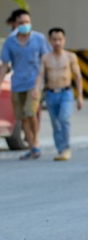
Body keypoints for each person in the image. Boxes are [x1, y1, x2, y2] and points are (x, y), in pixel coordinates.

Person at [0, 9, 51, 160]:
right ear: (15, 24)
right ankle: (31, 147)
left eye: (27, 22)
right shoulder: (10, 42)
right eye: (21, 23)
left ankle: (35, 142)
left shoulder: (39, 39)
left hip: (34, 83)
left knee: (31, 113)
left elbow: (46, 60)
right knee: (22, 117)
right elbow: (4, 65)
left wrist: (42, 83)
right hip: (17, 83)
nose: (25, 25)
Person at [33, 28, 84, 161]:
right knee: (55, 123)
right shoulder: (46, 58)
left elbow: (78, 76)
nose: (57, 42)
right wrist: (36, 89)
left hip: (66, 93)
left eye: (60, 39)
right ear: (50, 41)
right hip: (51, 93)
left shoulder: (70, 57)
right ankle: (60, 149)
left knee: (64, 119)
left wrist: (80, 96)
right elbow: (40, 75)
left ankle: (66, 148)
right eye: (54, 39)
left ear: (64, 40)